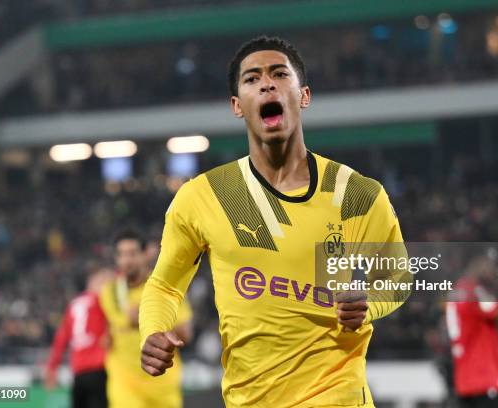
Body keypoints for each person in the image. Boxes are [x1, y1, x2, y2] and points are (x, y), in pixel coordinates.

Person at [139, 36, 411, 407]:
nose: (267, 83)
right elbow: (165, 286)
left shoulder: (358, 195)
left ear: (304, 96)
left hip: (338, 396)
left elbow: (398, 277)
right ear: (237, 105)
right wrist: (153, 331)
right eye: (252, 79)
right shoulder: (203, 197)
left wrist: (370, 304)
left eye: (280, 74)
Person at [101, 228, 193, 408]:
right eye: (121, 255)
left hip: (163, 385)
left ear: (146, 254)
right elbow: (116, 325)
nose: (127, 260)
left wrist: (152, 320)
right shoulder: (110, 292)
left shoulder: (166, 289)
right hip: (125, 384)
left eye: (133, 253)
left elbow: (186, 334)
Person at [446, 249, 498, 408]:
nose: (491, 269)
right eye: (489, 263)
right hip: (484, 379)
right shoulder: (474, 293)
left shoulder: (456, 292)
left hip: (465, 381)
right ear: (477, 263)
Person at [44, 267, 112, 408]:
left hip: (79, 371)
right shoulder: (103, 301)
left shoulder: (74, 304)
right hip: (100, 368)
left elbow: (61, 338)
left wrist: (52, 367)